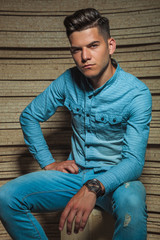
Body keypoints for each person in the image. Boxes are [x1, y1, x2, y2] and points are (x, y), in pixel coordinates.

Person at [0, 8, 152, 240]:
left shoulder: (137, 93)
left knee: (132, 199)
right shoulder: (68, 80)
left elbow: (134, 162)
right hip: (76, 176)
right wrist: (48, 162)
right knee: (6, 198)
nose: (85, 56)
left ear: (110, 45)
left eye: (93, 46)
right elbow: (29, 116)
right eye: (76, 49)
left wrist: (94, 187)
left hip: (118, 182)